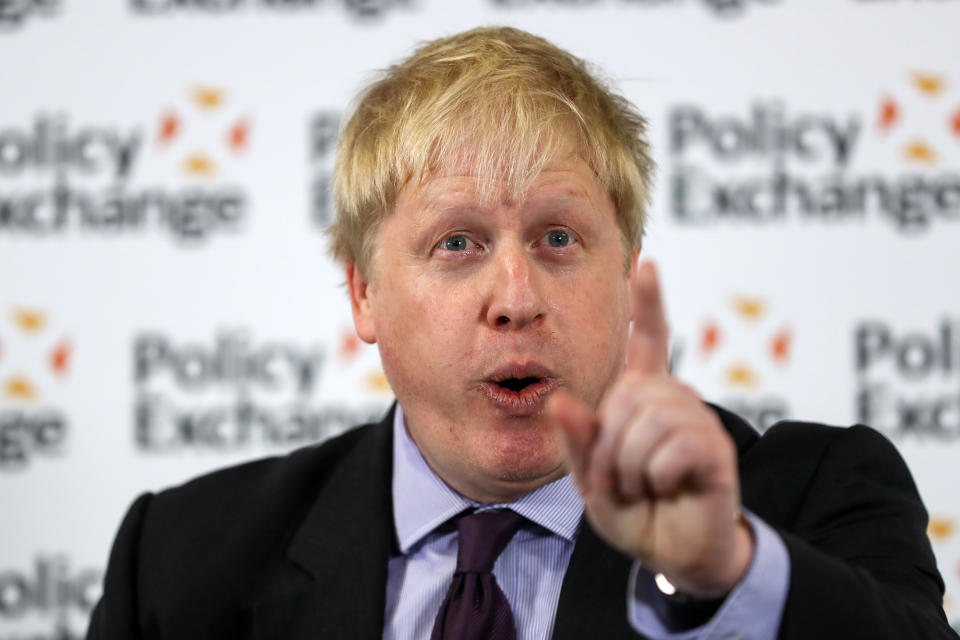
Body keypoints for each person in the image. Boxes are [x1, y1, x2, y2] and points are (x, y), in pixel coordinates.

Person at [87, 26, 957, 640]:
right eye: (456, 243)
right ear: (363, 293)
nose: (516, 298)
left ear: (626, 274)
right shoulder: (180, 561)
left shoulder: (809, 503)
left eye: (558, 238)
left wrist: (725, 572)